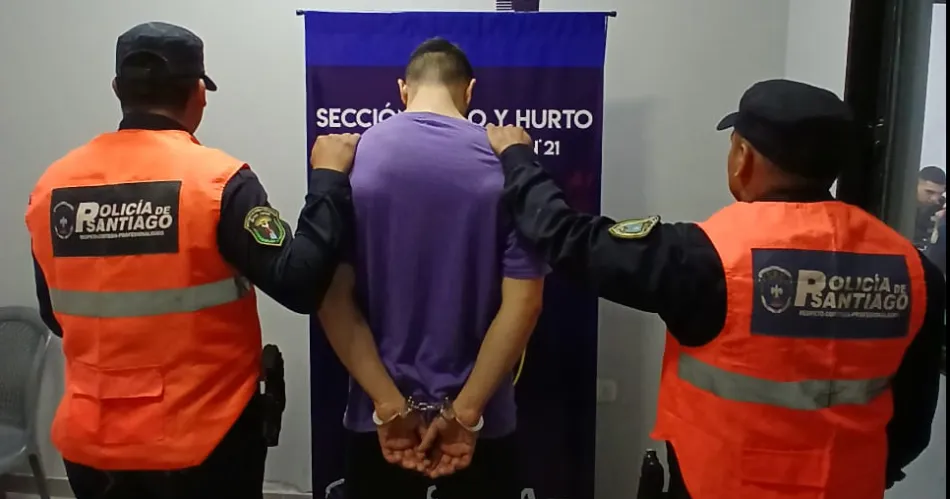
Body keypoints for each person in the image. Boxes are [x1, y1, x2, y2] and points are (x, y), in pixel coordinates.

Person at [486, 79, 945, 499]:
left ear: (743, 157)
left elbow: (566, 236)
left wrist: (517, 156)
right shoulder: (914, 270)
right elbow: (911, 421)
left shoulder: (706, 259)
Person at [24, 22, 359, 499]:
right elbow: (300, 282)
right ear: (199, 92)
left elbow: (54, 314)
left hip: (92, 449)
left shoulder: (52, 187)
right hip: (204, 446)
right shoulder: (217, 183)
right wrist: (327, 181)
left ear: (118, 89)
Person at [317, 38, 547, 499]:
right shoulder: (510, 167)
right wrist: (465, 413)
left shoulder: (346, 162)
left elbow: (331, 299)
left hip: (380, 422)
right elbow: (524, 303)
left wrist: (388, 405)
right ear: (470, 91)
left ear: (402, 90)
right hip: (479, 423)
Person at [913, 166, 946, 250]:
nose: (935, 199)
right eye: (929, 192)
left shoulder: (941, 207)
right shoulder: (898, 206)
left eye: (940, 193)